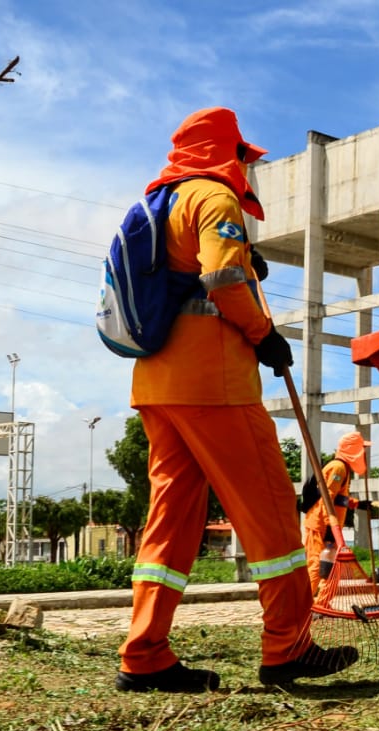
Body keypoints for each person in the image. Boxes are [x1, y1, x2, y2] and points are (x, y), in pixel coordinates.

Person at [115, 106, 357, 693]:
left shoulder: (166, 201)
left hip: (158, 387)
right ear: (226, 154)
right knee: (272, 510)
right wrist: (264, 335)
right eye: (244, 158)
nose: (247, 170)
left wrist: (249, 262)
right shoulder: (212, 199)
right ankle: (287, 647)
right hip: (215, 385)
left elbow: (199, 268)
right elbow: (221, 279)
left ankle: (144, 656)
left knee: (170, 522)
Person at [304, 431, 377, 596]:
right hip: (322, 525)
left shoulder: (342, 468)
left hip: (326, 524)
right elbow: (326, 497)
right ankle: (305, 606)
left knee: (328, 565)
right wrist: (330, 529)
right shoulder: (338, 468)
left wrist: (357, 504)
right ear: (353, 450)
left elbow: (337, 497)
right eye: (361, 449)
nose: (363, 453)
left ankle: (322, 603)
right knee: (318, 565)